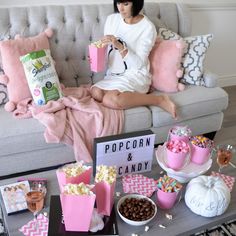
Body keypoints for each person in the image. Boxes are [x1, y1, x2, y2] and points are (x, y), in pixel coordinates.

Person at [90, 0, 177, 118]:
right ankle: (121, 94)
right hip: (114, 74)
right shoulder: (112, 20)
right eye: (118, 3)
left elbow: (139, 64)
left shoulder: (147, 28)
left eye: (126, 4)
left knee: (110, 100)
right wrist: (96, 53)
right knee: (96, 92)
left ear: (136, 4)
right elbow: (108, 51)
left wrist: (120, 46)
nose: (120, 9)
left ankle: (159, 100)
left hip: (135, 74)